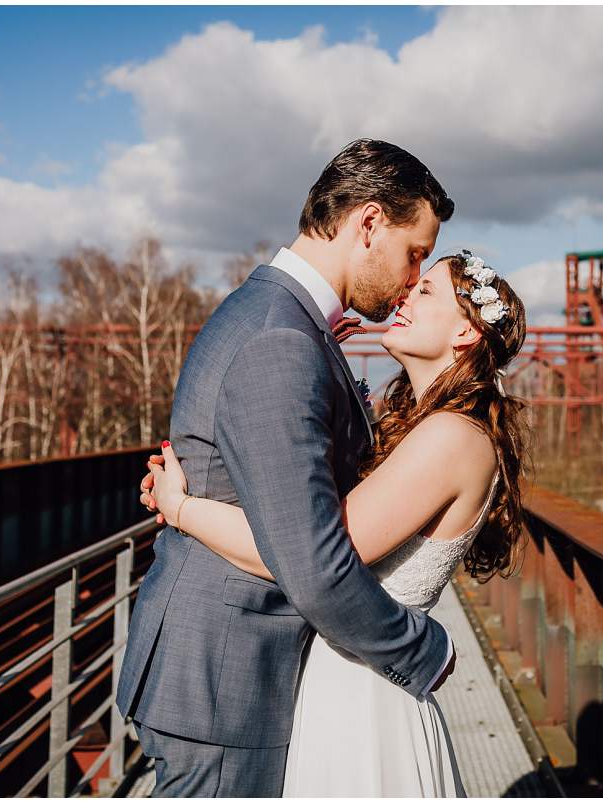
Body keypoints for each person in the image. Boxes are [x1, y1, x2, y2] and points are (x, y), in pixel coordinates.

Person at [114, 139, 458, 797]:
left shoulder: (282, 318)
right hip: (225, 679)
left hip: (228, 674)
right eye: (415, 252)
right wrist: (423, 651)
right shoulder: (281, 337)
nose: (415, 275)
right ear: (368, 224)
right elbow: (313, 563)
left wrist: (186, 506)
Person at [144, 251, 531, 796]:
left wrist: (182, 507)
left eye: (426, 292)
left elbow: (309, 554)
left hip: (363, 695)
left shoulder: (450, 437)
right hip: (343, 676)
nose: (405, 295)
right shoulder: (429, 427)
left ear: (466, 332)